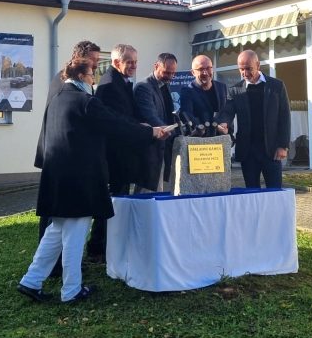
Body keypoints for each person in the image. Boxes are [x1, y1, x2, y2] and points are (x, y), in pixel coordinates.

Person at [18, 58, 169, 303]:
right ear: (80, 76)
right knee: (75, 235)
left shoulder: (58, 99)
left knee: (55, 231)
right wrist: (149, 131)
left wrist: (140, 127)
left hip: (57, 177)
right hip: (80, 181)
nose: (93, 81)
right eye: (91, 76)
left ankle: (31, 280)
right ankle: (71, 290)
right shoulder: (85, 102)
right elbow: (115, 124)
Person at [33, 40, 101, 276]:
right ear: (81, 59)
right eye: (94, 60)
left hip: (62, 155)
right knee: (55, 216)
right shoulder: (65, 82)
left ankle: (53, 267)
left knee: (59, 220)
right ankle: (57, 268)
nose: (97, 65)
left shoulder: (70, 80)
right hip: (62, 157)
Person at [86, 43, 140, 260]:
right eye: (130, 63)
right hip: (114, 156)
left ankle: (108, 245)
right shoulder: (109, 85)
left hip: (122, 155)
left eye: (136, 62)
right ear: (117, 62)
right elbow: (117, 121)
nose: (134, 66)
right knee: (109, 203)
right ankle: (98, 248)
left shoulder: (122, 82)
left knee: (117, 200)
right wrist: (142, 130)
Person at [216, 50, 291, 189]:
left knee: (274, 191)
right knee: (252, 193)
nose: (245, 73)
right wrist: (223, 123)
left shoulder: (276, 86)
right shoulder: (235, 90)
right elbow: (227, 111)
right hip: (248, 152)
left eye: (248, 69)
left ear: (258, 65)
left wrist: (283, 145)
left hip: (271, 150)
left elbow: (284, 117)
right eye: (241, 69)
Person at [133, 52, 178, 191]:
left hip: (163, 147)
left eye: (173, 73)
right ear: (156, 66)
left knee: (158, 190)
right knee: (147, 193)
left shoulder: (164, 85)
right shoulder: (143, 87)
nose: (170, 77)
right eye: (166, 72)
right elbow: (149, 115)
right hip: (149, 150)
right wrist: (166, 128)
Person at [179, 54, 228, 132]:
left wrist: (226, 126)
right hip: (200, 139)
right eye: (201, 69)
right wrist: (208, 128)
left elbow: (226, 111)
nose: (205, 73)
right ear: (193, 72)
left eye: (208, 68)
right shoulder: (187, 91)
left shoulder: (221, 87)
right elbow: (188, 116)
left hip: (221, 138)